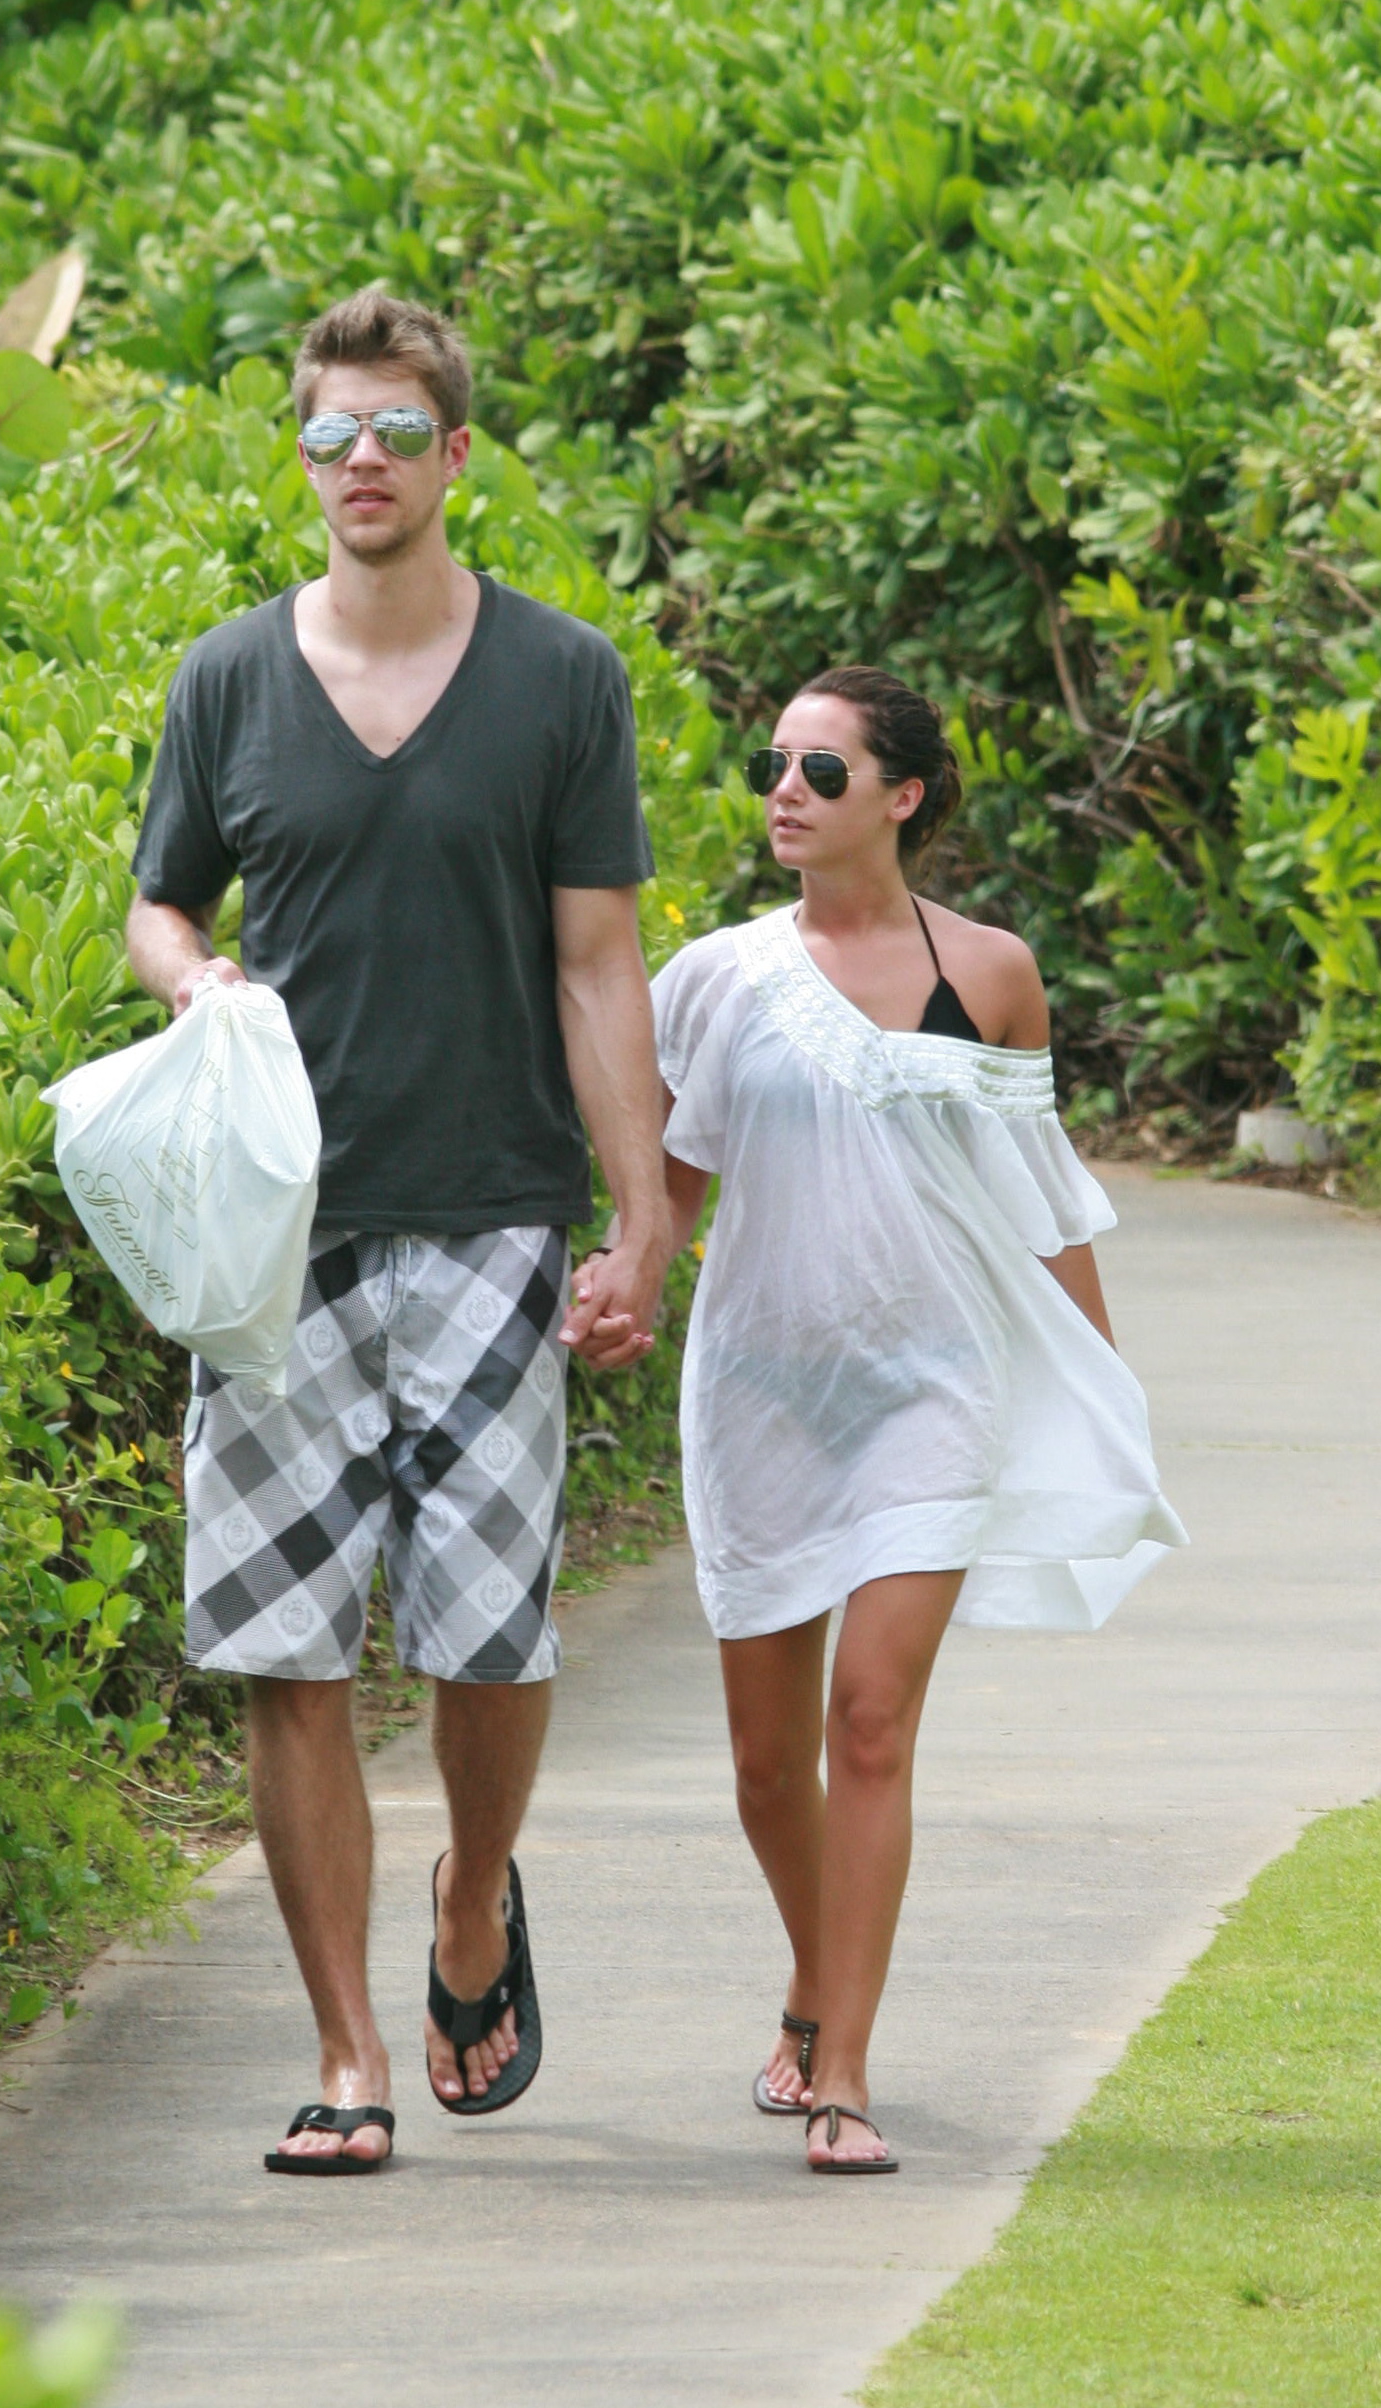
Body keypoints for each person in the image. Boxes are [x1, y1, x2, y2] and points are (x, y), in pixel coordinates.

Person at [125, 288, 670, 2174]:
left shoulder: (560, 677)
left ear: (456, 454)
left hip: (493, 1220)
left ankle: (471, 1894)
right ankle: (347, 2055)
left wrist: (640, 1218)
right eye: (330, 433)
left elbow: (598, 965)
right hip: (274, 1242)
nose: (361, 461)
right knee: (288, 1651)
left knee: (486, 1643)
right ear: (301, 456)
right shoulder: (226, 678)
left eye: (396, 432)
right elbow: (162, 904)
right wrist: (189, 978)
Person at [618, 664, 1184, 2172]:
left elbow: (1041, 1198)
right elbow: (666, 1188)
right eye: (773, 765)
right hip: (760, 1394)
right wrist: (620, 1283)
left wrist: (1097, 1393)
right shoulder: (718, 978)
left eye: (821, 770)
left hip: (933, 1390)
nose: (783, 792)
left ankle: (847, 2073)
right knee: (764, 1765)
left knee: (868, 1720)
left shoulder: (990, 973)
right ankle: (814, 1984)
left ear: (903, 795)